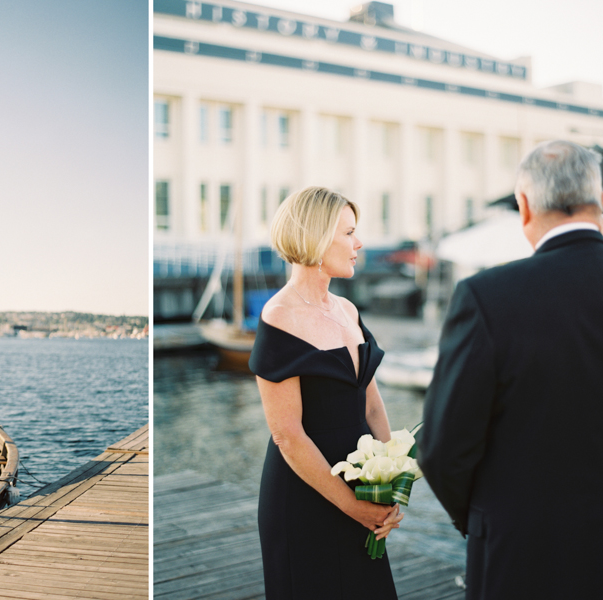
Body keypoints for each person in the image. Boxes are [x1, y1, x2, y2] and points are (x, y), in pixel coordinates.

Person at [419, 140, 603, 599]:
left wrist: (481, 516)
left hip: (521, 554)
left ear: (524, 205)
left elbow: (443, 448)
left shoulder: (488, 297)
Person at [249, 186, 403, 599]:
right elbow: (287, 434)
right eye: (349, 233)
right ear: (317, 238)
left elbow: (371, 402)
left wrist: (392, 487)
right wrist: (355, 507)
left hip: (362, 487)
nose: (359, 243)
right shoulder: (279, 316)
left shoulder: (347, 310)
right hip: (306, 497)